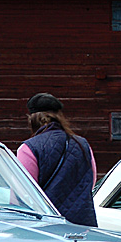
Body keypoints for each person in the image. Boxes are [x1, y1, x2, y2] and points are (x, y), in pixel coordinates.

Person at [16, 92, 98, 227]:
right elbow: (92, 180)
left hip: (46, 225)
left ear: (31, 119)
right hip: (83, 224)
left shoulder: (28, 148)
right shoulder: (82, 144)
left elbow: (23, 192)